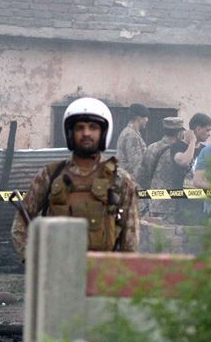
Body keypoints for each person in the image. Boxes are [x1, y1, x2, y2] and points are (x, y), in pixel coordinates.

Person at [12, 97, 140, 260]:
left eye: (93, 127)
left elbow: (131, 236)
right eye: (80, 127)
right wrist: (34, 261)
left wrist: (120, 276)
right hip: (57, 274)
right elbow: (21, 224)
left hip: (102, 274)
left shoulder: (120, 180)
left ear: (103, 132)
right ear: (70, 133)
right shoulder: (50, 175)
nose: (86, 133)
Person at [139, 117, 187, 220]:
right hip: (174, 206)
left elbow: (142, 176)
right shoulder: (182, 152)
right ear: (179, 133)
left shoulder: (151, 148)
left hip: (154, 204)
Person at [172, 113, 211, 224]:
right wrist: (192, 142)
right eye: (207, 130)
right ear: (197, 129)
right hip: (183, 203)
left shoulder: (205, 150)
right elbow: (184, 161)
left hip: (201, 203)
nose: (210, 134)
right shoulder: (177, 146)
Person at [116, 103, 149, 179]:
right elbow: (137, 166)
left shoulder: (129, 132)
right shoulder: (132, 135)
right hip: (129, 182)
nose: (147, 120)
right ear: (139, 118)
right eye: (146, 117)